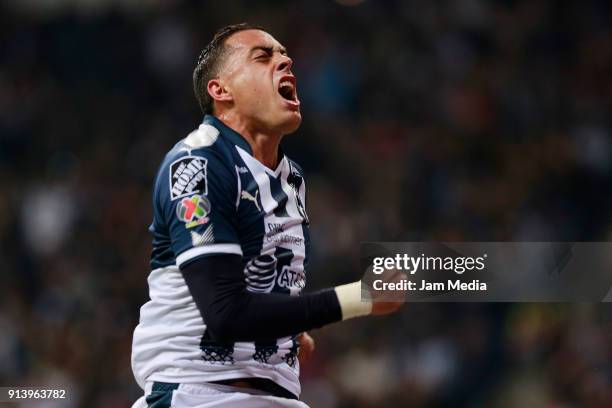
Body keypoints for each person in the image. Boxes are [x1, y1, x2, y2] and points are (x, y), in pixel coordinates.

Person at [131, 23, 402, 408]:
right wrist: (358, 297)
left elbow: (265, 288)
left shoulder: (291, 177)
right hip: (201, 392)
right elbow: (225, 313)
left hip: (273, 395)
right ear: (221, 90)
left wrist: (288, 333)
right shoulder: (197, 164)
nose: (286, 60)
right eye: (263, 56)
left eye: (284, 54)